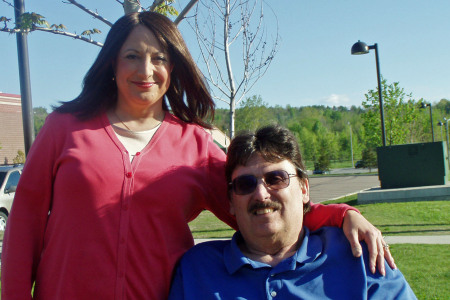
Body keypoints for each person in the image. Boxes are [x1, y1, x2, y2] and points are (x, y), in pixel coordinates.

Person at [2, 12, 392, 300]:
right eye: (132, 56)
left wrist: (344, 214)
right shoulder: (63, 128)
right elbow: (24, 226)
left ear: (174, 67)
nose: (146, 70)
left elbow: (258, 204)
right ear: (111, 64)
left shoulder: (194, 145)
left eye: (159, 58)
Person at [169, 125, 416, 300]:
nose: (261, 194)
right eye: (245, 184)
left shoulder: (360, 255)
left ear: (304, 188)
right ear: (231, 201)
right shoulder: (197, 270)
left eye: (275, 178)